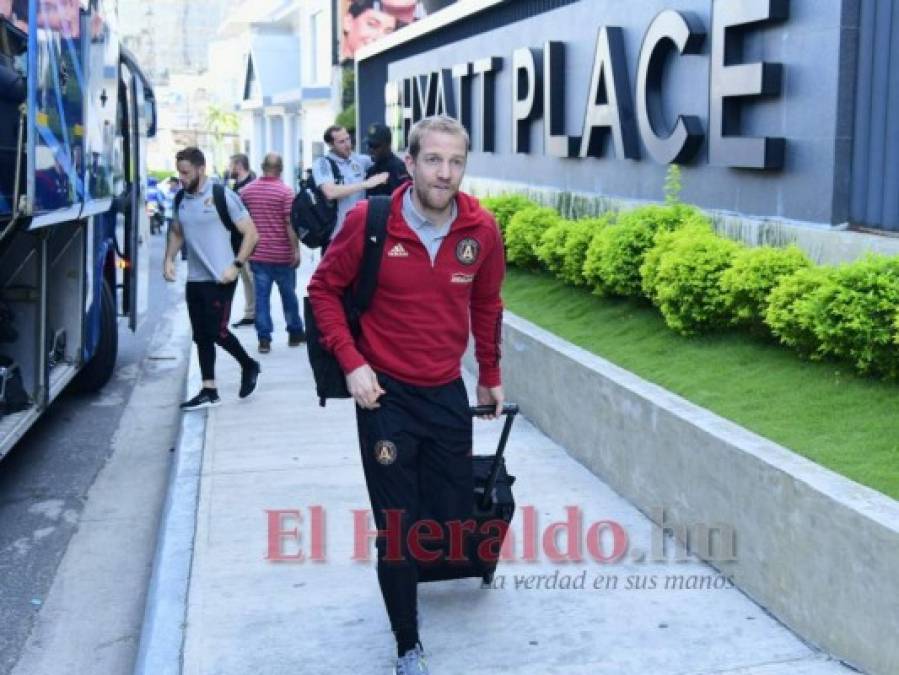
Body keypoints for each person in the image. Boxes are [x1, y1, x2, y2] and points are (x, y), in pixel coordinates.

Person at [308, 116, 505, 675]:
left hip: (444, 390)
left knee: (445, 526)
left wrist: (488, 374)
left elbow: (488, 305)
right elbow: (323, 289)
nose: (446, 174)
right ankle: (407, 644)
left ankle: (410, 564)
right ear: (411, 163)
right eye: (434, 160)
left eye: (457, 162)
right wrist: (352, 363)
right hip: (384, 398)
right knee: (398, 528)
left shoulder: (481, 231)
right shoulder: (371, 223)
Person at [163, 147, 261, 411]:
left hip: (222, 277)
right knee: (201, 336)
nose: (181, 178)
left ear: (200, 169)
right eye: (179, 172)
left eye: (185, 172)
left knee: (217, 331)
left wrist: (236, 265)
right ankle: (209, 390)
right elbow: (177, 231)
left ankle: (249, 364)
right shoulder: (180, 198)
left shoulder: (222, 196)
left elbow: (251, 233)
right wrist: (169, 259)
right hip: (195, 278)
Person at [238, 153, 304, 353]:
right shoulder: (286, 192)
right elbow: (289, 223)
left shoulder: (246, 192)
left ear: (261, 166)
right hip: (282, 254)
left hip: (258, 254)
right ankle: (294, 333)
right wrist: (296, 250)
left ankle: (264, 339)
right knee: (289, 296)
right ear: (281, 169)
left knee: (262, 298)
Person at [313, 124, 388, 241]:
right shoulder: (323, 163)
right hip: (336, 237)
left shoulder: (359, 160)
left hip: (359, 233)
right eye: (341, 142)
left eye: (348, 139)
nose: (348, 144)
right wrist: (365, 184)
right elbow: (330, 192)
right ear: (331, 145)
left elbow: (385, 161)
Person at [229, 153, 257, 328]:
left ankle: (256, 314)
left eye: (230, 165)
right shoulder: (237, 186)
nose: (228, 168)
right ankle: (250, 313)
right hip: (239, 240)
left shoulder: (249, 187)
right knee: (246, 279)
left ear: (239, 165)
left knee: (253, 278)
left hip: (249, 241)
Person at [364, 123, 410, 198]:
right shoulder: (371, 170)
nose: (370, 150)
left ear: (387, 145)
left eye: (375, 146)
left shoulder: (399, 169)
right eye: (368, 145)